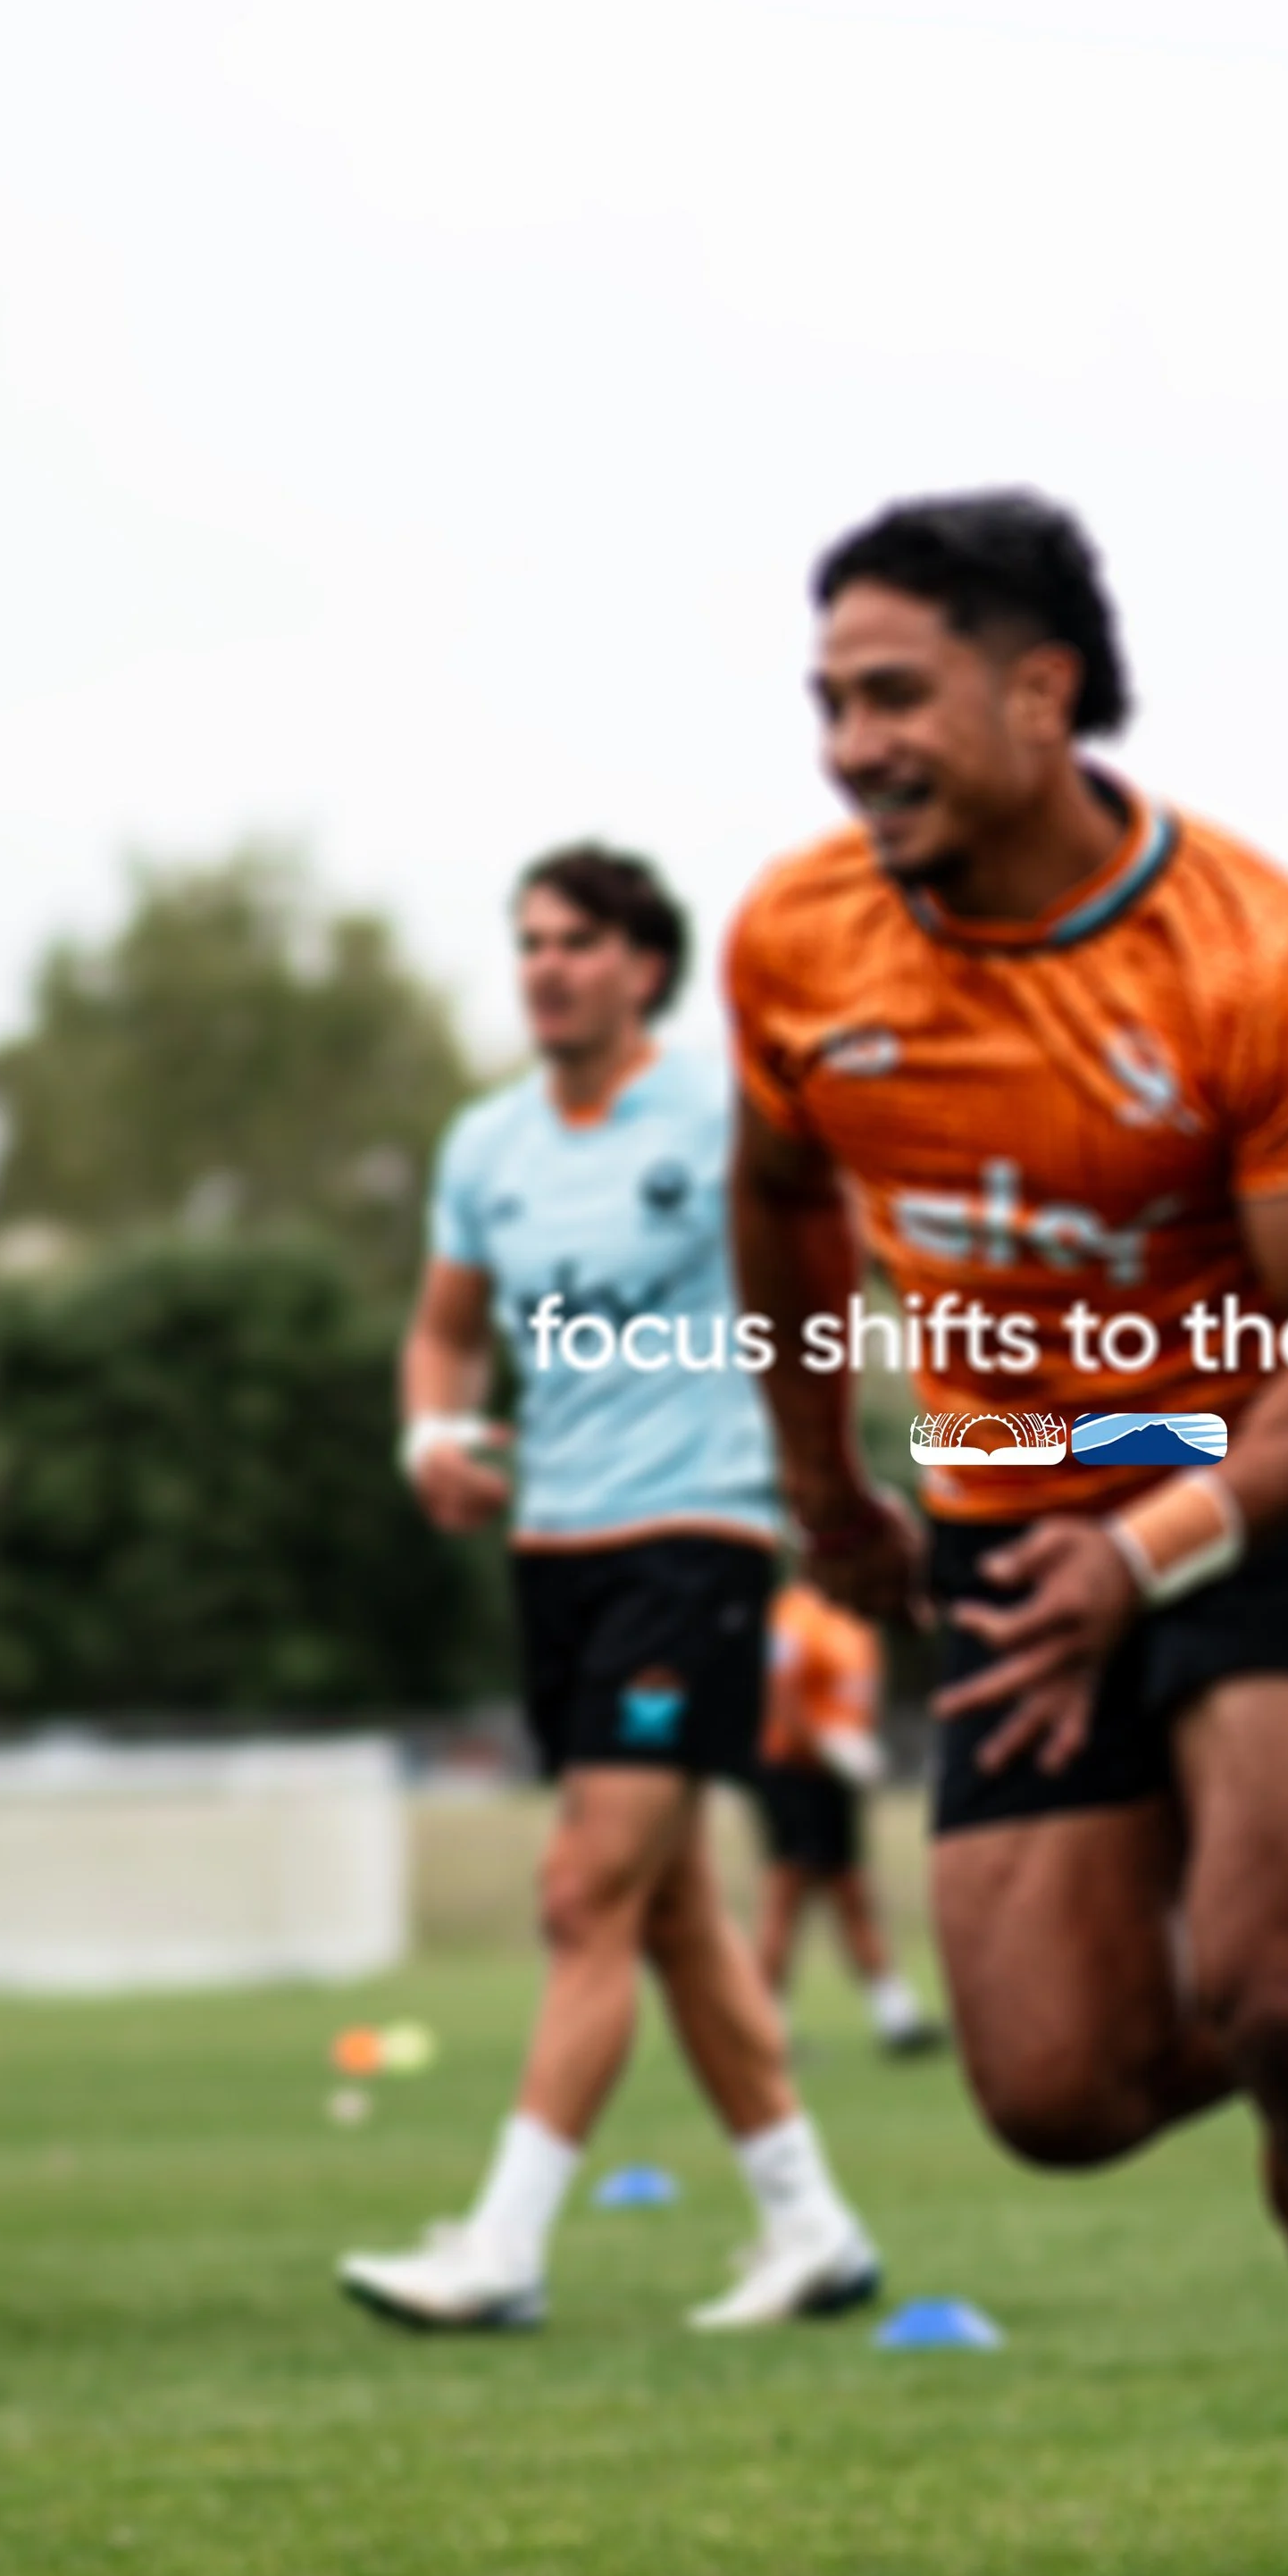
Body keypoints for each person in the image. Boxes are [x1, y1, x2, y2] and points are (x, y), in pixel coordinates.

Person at [725, 489, 1288, 2576]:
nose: (851, 748)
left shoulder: (1264, 962)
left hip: (1264, 1491)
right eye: (828, 702)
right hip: (1002, 1513)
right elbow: (778, 1201)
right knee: (1053, 2095)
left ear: (1039, 693)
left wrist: (1147, 1546)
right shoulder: (793, 939)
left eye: (894, 696)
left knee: (1279, 2005)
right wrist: (824, 1485)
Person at [339, 844, 879, 2333]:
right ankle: (812, 2224)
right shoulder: (485, 1144)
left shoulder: (722, 1113)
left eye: (577, 940)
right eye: (529, 940)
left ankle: (502, 2248)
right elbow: (446, 1333)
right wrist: (431, 1433)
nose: (546, 965)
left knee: (583, 1889)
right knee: (670, 1906)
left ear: (645, 966)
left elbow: (831, 1263)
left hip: (696, 1532)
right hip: (555, 1551)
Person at [745, 1578, 943, 2055]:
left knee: (852, 1890)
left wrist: (857, 1750)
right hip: (793, 1770)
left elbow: (858, 1696)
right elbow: (781, 1695)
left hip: (836, 1779)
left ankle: (895, 2015)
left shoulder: (857, 1612)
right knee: (787, 1892)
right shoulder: (793, 1613)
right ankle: (760, 2025)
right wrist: (827, 1747)